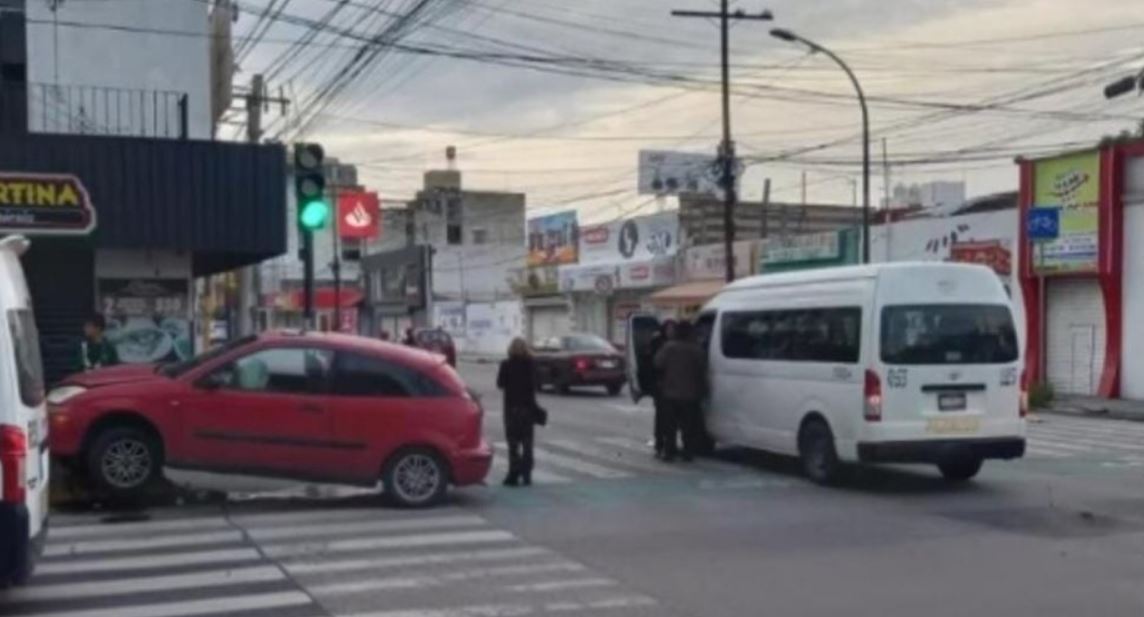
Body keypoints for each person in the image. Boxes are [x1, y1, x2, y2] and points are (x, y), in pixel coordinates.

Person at [654, 320, 707, 462]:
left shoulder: (669, 347)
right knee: (688, 425)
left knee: (670, 426)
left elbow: (657, 362)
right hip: (691, 394)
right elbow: (703, 366)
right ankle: (688, 452)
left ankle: (669, 451)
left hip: (670, 393)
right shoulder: (696, 349)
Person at [496, 338, 541, 486]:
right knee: (528, 444)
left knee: (513, 444)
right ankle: (527, 474)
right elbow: (535, 384)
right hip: (527, 408)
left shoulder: (506, 364)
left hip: (511, 409)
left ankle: (513, 474)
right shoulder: (531, 364)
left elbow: (500, 384)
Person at [641, 320, 676, 459]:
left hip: (673, 386)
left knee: (672, 418)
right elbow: (651, 364)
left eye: (673, 329)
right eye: (669, 328)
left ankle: (669, 445)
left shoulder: (677, 343)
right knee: (662, 417)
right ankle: (660, 443)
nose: (671, 331)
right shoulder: (657, 342)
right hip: (660, 385)